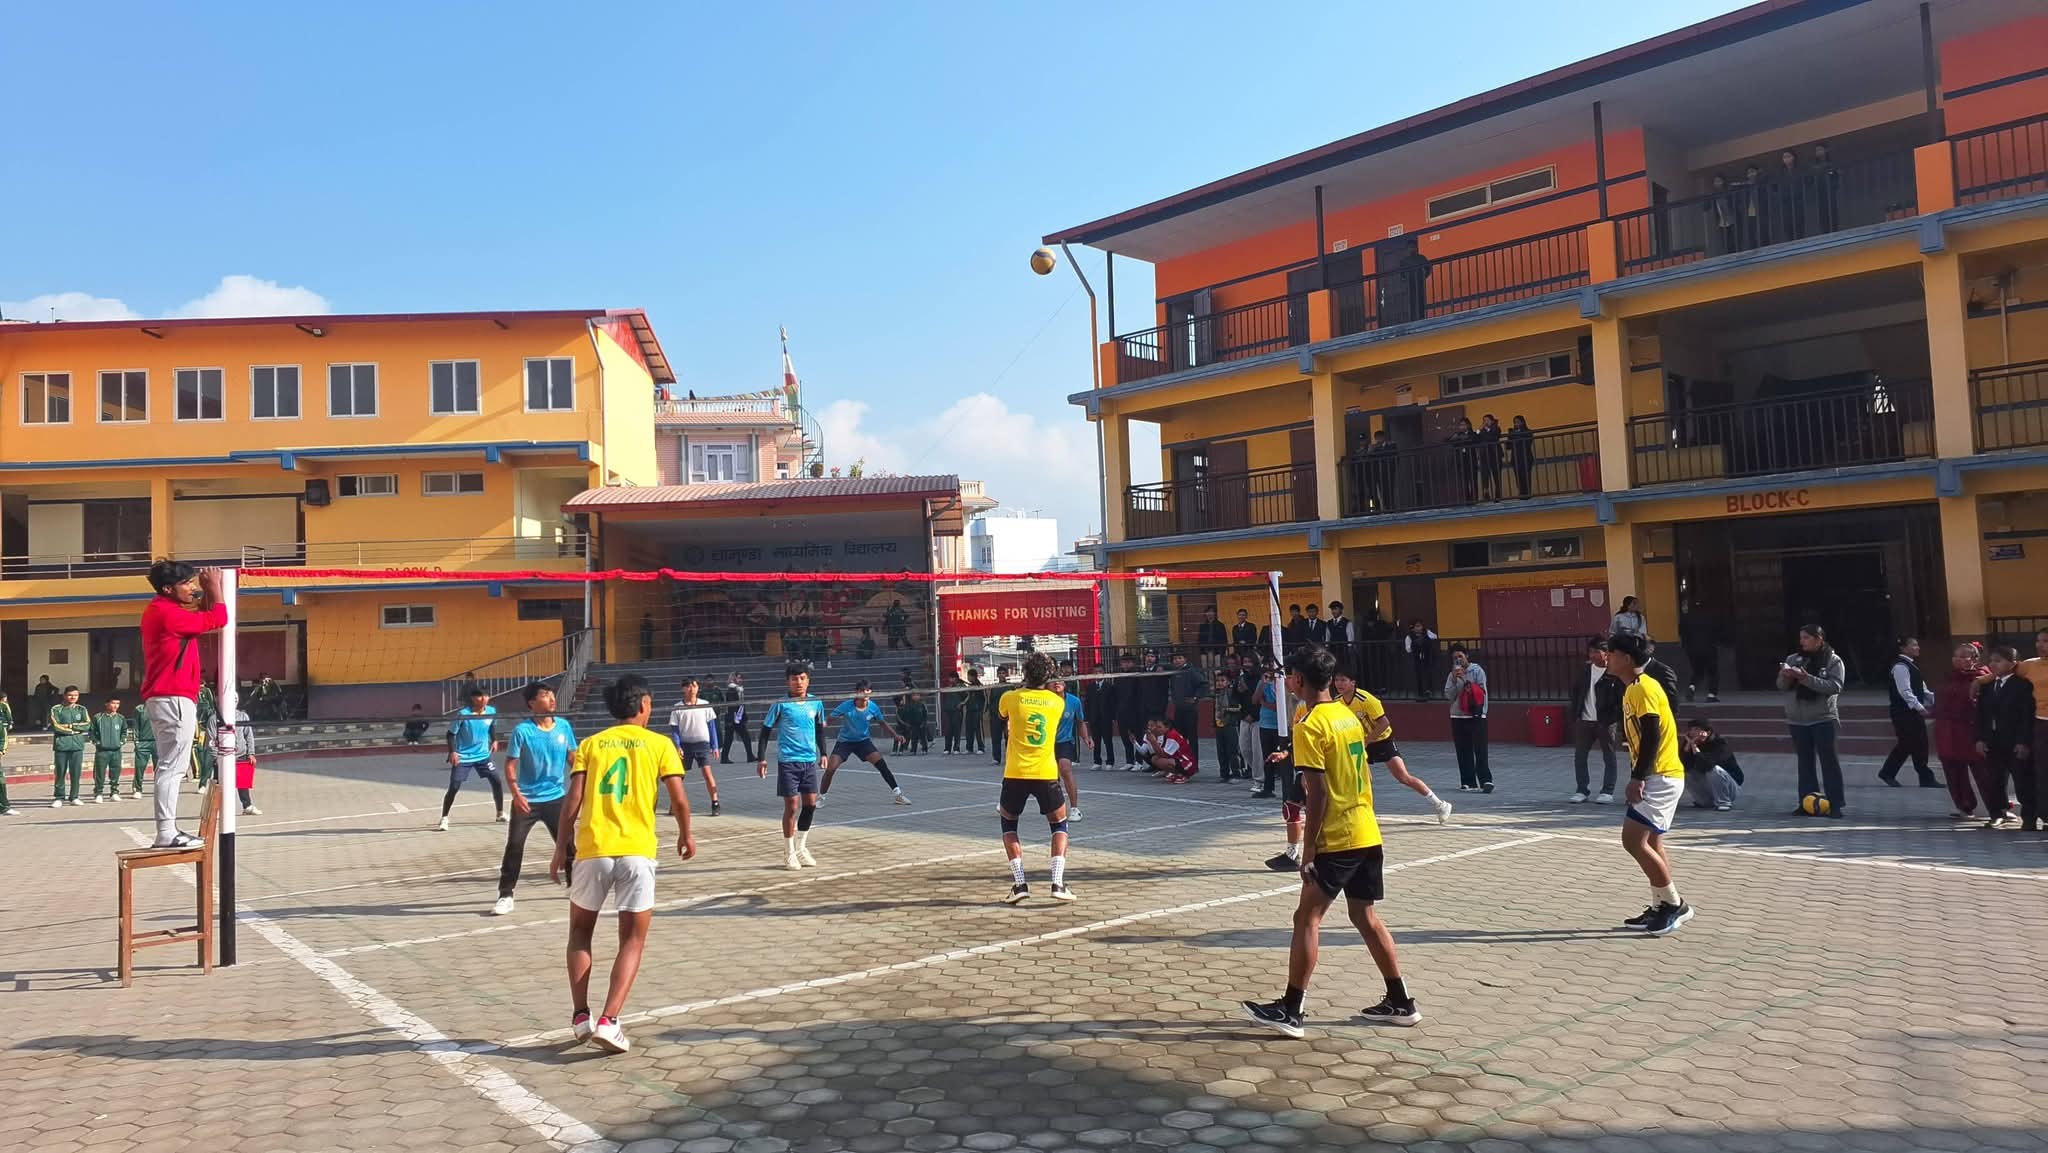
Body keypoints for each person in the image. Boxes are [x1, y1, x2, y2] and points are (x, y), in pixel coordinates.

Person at [1240, 644, 1418, 1038]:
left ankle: (1291, 1010)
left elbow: (1316, 793)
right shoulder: (1346, 715)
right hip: (1366, 830)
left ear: (1299, 680)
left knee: (1306, 918)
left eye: (1289, 676)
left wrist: (1309, 850)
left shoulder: (1310, 725)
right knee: (1364, 916)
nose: (1287, 681)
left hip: (1338, 838)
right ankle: (1401, 1001)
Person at [551, 673, 695, 1054]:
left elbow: (572, 801)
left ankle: (580, 1016)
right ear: (644, 704)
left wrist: (560, 848)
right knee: (632, 939)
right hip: (637, 851)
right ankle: (609, 1020)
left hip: (593, 849)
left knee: (579, 932)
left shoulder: (592, 744)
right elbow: (679, 799)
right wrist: (685, 834)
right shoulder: (660, 745)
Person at [1606, 633, 1695, 936]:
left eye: (1611, 653)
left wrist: (1639, 777)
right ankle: (1661, 903)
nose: (1607, 658)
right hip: (1660, 775)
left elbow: (1652, 734)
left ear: (1626, 658)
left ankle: (1674, 904)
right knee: (1653, 843)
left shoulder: (1644, 687)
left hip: (1660, 776)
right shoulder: (1633, 687)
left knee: (1632, 840)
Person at [138, 560, 226, 847]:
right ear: (168, 588)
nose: (193, 588)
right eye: (187, 583)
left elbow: (202, 616)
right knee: (173, 766)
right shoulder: (167, 614)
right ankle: (166, 833)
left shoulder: (163, 610)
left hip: (168, 696)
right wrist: (215, 587)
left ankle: (167, 831)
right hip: (173, 696)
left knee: (171, 765)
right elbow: (218, 618)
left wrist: (209, 591)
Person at [996, 652, 1075, 903]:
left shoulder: (1010, 697)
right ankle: (1058, 883)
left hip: (1015, 772)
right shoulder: (1056, 703)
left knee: (1009, 824)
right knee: (1059, 824)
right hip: (1045, 772)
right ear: (1049, 676)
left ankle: (1020, 884)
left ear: (1025, 673)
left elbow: (1002, 716)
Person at [496, 682, 578, 916]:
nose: (551, 699)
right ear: (532, 703)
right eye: (545, 695)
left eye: (552, 694)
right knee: (514, 846)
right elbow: (510, 765)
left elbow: (574, 759)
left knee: (569, 845)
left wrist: (582, 784)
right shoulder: (523, 731)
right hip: (527, 800)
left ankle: (575, 887)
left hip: (556, 798)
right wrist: (516, 794)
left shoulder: (563, 726)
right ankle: (505, 894)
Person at [1334, 670, 1452, 824]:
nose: (1339, 684)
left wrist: (1368, 740)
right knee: (1362, 778)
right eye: (1336, 680)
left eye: (1343, 680)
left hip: (1382, 740)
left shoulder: (1366, 699)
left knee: (1403, 777)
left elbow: (1384, 723)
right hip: (1360, 742)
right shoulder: (1337, 702)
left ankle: (1439, 804)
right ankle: (1366, 812)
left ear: (1353, 683)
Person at [757, 662, 828, 870]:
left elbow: (820, 730)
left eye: (802, 678)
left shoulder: (816, 703)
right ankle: (788, 853)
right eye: (794, 679)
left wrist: (823, 753)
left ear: (808, 681)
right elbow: (765, 732)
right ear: (787, 681)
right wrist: (761, 759)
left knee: (811, 805)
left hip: (808, 761)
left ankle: (801, 848)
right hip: (788, 761)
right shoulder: (781, 704)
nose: (798, 682)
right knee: (792, 806)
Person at [1778, 624, 1847, 817]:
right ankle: (1806, 803)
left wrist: (1806, 678)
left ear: (1819, 639)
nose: (1802, 642)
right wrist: (1785, 676)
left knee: (1829, 762)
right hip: (1797, 720)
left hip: (1823, 718)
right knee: (1805, 763)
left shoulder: (1833, 660)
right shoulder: (1793, 659)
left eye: (1806, 638)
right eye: (1801, 638)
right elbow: (1781, 686)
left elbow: (1835, 686)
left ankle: (1835, 804)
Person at [1977, 645, 2037, 831]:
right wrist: (1980, 738)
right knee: (1994, 780)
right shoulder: (1987, 686)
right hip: (1993, 741)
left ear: (2012, 664)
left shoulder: (2022, 685)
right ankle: (1997, 813)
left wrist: (2023, 742)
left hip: (2014, 741)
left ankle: (2029, 817)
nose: (1993, 664)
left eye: (1998, 661)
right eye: (1991, 661)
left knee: (2022, 780)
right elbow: (1981, 715)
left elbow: (2026, 716)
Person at [1937, 643, 1999, 821]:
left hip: (1972, 730)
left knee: (1984, 772)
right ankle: (1964, 806)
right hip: (1948, 731)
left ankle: (1998, 807)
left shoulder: (1983, 677)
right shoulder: (1949, 676)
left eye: (1963, 656)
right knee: (1954, 771)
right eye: (1956, 656)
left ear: (1975, 659)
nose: (1958, 660)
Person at [822, 680, 909, 805]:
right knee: (830, 769)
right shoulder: (846, 706)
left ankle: (898, 795)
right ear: (856, 692)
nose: (865, 693)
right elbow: (829, 720)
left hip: (863, 742)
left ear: (871, 692)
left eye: (867, 690)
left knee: (882, 765)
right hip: (844, 742)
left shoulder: (873, 707)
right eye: (862, 690)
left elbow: (882, 723)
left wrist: (895, 736)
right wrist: (819, 727)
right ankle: (821, 798)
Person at [440, 683, 506, 830]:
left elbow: (492, 726)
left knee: (496, 781)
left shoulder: (491, 711)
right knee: (454, 786)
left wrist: (494, 740)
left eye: (486, 696)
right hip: (463, 756)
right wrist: (453, 752)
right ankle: (444, 818)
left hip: (483, 755)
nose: (484, 699)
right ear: (473, 698)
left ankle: (500, 813)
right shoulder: (463, 714)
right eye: (480, 696)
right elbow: (450, 734)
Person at [1568, 637, 1623, 804]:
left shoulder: (1614, 674)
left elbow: (1620, 698)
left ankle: (1607, 791)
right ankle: (1582, 790)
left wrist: (1613, 716)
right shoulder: (1585, 671)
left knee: (1609, 756)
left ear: (1606, 654)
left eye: (1596, 652)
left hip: (1605, 722)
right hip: (1585, 720)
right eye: (1590, 652)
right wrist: (1576, 713)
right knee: (1580, 756)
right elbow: (1575, 692)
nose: (1592, 655)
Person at [1878, 637, 1938, 789]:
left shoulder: (1912, 665)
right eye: (1913, 645)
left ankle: (1925, 778)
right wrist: (1919, 707)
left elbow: (1923, 690)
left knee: (1920, 744)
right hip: (1903, 712)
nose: (1917, 647)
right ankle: (1887, 772)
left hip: (1912, 712)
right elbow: (1905, 691)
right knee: (1907, 743)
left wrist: (1937, 700)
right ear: (1903, 648)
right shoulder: (1900, 666)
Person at [668, 676, 721, 816]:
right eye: (688, 686)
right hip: (685, 745)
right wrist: (678, 746)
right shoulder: (677, 707)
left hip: (702, 744)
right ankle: (675, 803)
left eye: (694, 686)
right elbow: (675, 729)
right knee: (679, 776)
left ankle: (715, 802)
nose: (692, 689)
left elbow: (712, 727)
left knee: (707, 773)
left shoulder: (705, 705)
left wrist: (715, 746)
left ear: (698, 688)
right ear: (683, 689)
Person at [1446, 646, 1492, 793]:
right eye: (1455, 658)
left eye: (1460, 656)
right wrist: (1454, 680)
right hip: (1458, 716)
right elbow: (1449, 696)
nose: (1458, 659)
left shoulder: (1477, 671)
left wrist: (1464, 679)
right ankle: (1468, 782)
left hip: (1476, 715)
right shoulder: (1451, 675)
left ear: (1467, 656)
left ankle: (1485, 780)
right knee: (1463, 750)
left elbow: (1481, 692)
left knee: (1480, 749)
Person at [1048, 674, 1088, 821]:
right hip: (1046, 743)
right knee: (1048, 777)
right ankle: (1008, 803)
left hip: (1065, 741)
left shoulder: (1074, 701)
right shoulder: (1044, 700)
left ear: (1064, 684)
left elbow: (1080, 722)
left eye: (1059, 680)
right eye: (1053, 681)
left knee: (1065, 769)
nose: (1056, 683)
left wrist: (1086, 738)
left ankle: (1075, 809)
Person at [1680, 718, 1743, 811]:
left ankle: (1724, 802)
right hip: (1709, 786)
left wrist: (1696, 751)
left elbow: (1708, 764)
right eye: (1691, 729)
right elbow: (1683, 765)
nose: (1692, 732)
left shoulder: (1720, 744)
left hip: (1730, 789)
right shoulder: (1690, 743)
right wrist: (1687, 748)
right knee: (1685, 772)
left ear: (1708, 732)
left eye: (1697, 729)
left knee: (1713, 769)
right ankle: (1705, 802)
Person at [48, 686, 87, 808]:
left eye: (75, 695)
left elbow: (87, 725)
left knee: (76, 773)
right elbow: (56, 726)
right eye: (70, 695)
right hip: (62, 745)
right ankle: (59, 797)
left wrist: (70, 726)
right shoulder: (56, 709)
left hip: (77, 746)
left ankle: (74, 796)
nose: (73, 697)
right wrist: (74, 730)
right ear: (64, 695)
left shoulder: (81, 709)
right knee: (60, 772)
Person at [1168, 652, 1204, 772]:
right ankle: (1182, 763)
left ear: (1185, 659)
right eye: (1175, 658)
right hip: (1179, 709)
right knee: (1179, 738)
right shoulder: (1174, 672)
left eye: (1180, 658)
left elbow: (1203, 684)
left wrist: (1195, 697)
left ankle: (1194, 764)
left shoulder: (1191, 671)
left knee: (1192, 738)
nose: (1177, 660)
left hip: (1190, 710)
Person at [89, 696, 129, 803]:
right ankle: (98, 793)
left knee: (115, 771)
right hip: (102, 751)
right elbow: (92, 732)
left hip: (116, 750)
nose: (115, 706)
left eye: (118, 703)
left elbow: (124, 731)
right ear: (106, 704)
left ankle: (114, 792)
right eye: (113, 703)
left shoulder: (121, 718)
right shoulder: (98, 717)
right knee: (99, 772)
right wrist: (97, 742)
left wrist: (121, 742)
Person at [1678, 604, 1720, 703]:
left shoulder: (1686, 618)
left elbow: (1681, 632)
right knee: (1713, 672)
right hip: (1709, 648)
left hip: (1692, 650)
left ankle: (1692, 687)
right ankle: (1711, 695)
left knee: (1698, 671)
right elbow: (1717, 632)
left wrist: (1686, 645)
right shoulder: (1710, 617)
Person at [1137, 717, 1198, 784]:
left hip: (1188, 765)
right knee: (1155, 758)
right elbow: (1158, 753)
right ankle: (1178, 774)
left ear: (1167, 727)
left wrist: (1153, 742)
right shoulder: (1166, 735)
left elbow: (1164, 755)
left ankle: (1183, 775)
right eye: (1156, 727)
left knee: (1159, 760)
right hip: (1181, 761)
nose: (1157, 729)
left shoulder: (1172, 735)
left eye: (1159, 727)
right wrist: (1153, 741)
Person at [1253, 662, 1283, 797]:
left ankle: (1288, 788)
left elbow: (1279, 706)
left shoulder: (1282, 683)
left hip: (1279, 726)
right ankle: (1268, 788)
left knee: (1283, 758)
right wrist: (1263, 685)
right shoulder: (1263, 683)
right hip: (1265, 724)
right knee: (1267, 757)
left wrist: (1264, 703)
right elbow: (1254, 700)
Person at [1212, 669, 1245, 782]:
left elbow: (1239, 708)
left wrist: (1227, 710)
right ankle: (1224, 773)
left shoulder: (1232, 693)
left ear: (1229, 682)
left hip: (1231, 723)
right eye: (1218, 681)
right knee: (1221, 751)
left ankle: (1236, 773)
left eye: (1223, 680)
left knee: (1233, 750)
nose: (1220, 683)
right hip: (1219, 724)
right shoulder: (1217, 694)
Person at [1115, 653, 1146, 769]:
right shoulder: (1119, 677)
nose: (1126, 664)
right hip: (1122, 712)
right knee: (1125, 736)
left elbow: (1141, 695)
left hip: (1136, 711)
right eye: (1124, 662)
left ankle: (1139, 761)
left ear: (1133, 663)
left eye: (1128, 662)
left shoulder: (1137, 676)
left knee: (1138, 736)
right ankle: (1129, 761)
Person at [719, 672, 754, 764]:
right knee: (740, 737)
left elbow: (741, 704)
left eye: (741, 678)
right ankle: (749, 756)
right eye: (738, 678)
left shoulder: (738, 689)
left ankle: (725, 757)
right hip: (734, 718)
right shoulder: (732, 690)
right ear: (734, 679)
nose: (740, 680)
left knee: (734, 738)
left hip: (736, 716)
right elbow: (732, 706)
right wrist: (734, 718)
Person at [1405, 622, 1437, 700]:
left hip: (1427, 657)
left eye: (1420, 626)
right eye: (1416, 626)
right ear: (1413, 628)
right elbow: (1408, 649)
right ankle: (1420, 692)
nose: (1418, 628)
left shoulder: (1426, 632)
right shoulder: (1409, 636)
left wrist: (1427, 634)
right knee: (1418, 674)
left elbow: (1435, 637)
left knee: (1428, 673)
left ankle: (1428, 690)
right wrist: (1416, 646)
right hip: (1415, 658)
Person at [1475, 414, 1504, 501]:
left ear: (1492, 421)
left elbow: (1493, 437)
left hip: (1495, 455)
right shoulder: (1482, 430)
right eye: (1484, 420)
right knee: (1485, 475)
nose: (1485, 422)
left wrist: (1485, 431)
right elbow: (1476, 436)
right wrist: (1479, 430)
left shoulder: (1496, 428)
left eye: (1487, 420)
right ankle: (1486, 492)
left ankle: (1498, 495)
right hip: (1484, 455)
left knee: (1497, 476)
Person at [989, 666, 1013, 765]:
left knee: (1009, 737)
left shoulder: (1011, 687)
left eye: (1003, 673)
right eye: (999, 673)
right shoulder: (994, 687)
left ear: (1006, 674)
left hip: (1008, 716)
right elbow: (991, 701)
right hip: (996, 716)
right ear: (997, 675)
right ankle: (996, 758)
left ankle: (1009, 757)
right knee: (996, 737)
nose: (1001, 675)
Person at [961, 666, 988, 756]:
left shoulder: (980, 686)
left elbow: (985, 699)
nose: (968, 678)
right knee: (969, 729)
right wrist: (963, 703)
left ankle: (981, 747)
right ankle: (969, 748)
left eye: (969, 676)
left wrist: (983, 710)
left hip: (978, 710)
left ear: (973, 676)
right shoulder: (970, 686)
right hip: (970, 710)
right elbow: (968, 697)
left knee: (978, 730)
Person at [1507, 415, 1535, 498]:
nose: (1516, 424)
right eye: (1515, 422)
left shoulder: (1528, 431)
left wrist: (1518, 434)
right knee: (1518, 477)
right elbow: (1508, 446)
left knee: (1526, 476)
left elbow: (1528, 442)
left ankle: (1527, 493)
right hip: (1516, 458)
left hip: (1526, 457)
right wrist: (1510, 435)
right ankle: (1521, 493)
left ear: (1523, 422)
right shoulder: (1512, 433)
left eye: (1518, 422)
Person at [899, 691, 931, 755]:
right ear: (911, 697)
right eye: (914, 695)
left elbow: (925, 714)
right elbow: (908, 714)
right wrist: (908, 723)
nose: (916, 697)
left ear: (920, 696)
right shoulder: (910, 705)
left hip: (921, 723)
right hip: (913, 724)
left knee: (923, 737)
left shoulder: (922, 704)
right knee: (914, 737)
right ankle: (913, 750)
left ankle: (924, 749)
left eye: (917, 695)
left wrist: (924, 722)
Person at [1325, 602, 1352, 672]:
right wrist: (1327, 647)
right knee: (1333, 667)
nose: (1334, 611)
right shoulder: (1329, 623)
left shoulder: (1347, 622)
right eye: (1332, 609)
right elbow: (1327, 637)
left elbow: (1350, 636)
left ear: (1341, 610)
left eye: (1336, 609)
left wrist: (1349, 648)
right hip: (1333, 648)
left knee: (1343, 667)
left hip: (1343, 648)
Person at [0, 689, 13, 815]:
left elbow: (3, 738)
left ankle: (4, 806)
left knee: (0, 781)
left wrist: (1, 751)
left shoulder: (3, 705)